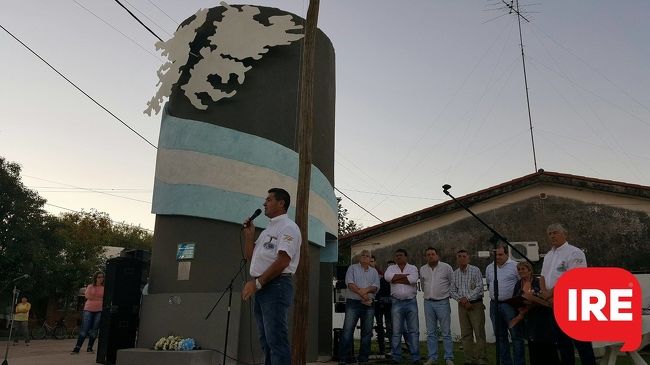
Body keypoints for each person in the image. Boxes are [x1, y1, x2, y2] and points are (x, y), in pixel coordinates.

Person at [242, 188, 301, 365]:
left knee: (276, 341)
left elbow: (283, 261)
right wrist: (250, 236)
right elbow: (250, 257)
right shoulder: (269, 230)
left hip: (276, 287)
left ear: (281, 203)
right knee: (266, 342)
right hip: (263, 289)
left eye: (268, 200)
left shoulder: (288, 227)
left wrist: (257, 283)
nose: (264, 203)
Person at [541, 223, 596, 365]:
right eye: (550, 233)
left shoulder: (575, 252)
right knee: (563, 344)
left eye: (555, 232)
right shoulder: (548, 255)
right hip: (554, 304)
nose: (552, 235)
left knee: (582, 344)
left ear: (565, 234)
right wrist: (545, 293)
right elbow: (542, 276)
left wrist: (550, 294)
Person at [511, 261, 559, 365]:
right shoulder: (518, 284)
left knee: (546, 345)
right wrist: (519, 307)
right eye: (519, 269)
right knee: (533, 345)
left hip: (542, 316)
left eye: (523, 269)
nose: (520, 271)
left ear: (529, 270)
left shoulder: (538, 282)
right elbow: (515, 297)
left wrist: (533, 301)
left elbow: (545, 297)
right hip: (528, 318)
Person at [485, 244, 524, 365]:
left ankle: (519, 363)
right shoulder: (490, 267)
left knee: (516, 336)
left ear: (507, 254)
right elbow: (488, 283)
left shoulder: (515, 266)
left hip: (510, 305)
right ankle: (506, 362)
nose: (498, 257)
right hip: (494, 305)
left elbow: (521, 284)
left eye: (501, 254)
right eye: (496, 255)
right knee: (500, 336)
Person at [338, 250, 380, 364]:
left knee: (367, 333)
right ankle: (343, 359)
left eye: (368, 256)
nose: (365, 257)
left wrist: (365, 292)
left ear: (370, 258)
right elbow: (349, 283)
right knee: (347, 331)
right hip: (353, 303)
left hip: (369, 304)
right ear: (359, 257)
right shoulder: (352, 268)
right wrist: (363, 294)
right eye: (363, 255)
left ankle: (363, 359)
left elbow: (375, 287)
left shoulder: (374, 272)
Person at [450, 249, 487, 365]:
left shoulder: (475, 270)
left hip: (475, 304)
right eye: (459, 256)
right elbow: (452, 290)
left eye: (464, 256)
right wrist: (462, 301)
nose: (461, 258)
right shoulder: (454, 274)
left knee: (479, 332)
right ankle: (469, 359)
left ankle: (481, 359)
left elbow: (479, 287)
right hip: (462, 306)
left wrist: (468, 299)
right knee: (466, 334)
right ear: (457, 259)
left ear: (468, 258)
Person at [384, 248, 421, 364]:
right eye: (396, 255)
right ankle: (396, 357)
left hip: (411, 302)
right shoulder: (390, 268)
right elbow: (388, 278)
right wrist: (405, 278)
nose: (398, 257)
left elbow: (413, 279)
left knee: (414, 331)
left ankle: (415, 358)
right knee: (396, 331)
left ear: (406, 257)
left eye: (400, 255)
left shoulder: (413, 268)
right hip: (396, 302)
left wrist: (396, 278)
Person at [420, 247, 455, 365]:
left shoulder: (446, 267)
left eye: (433, 254)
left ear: (437, 255)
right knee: (431, 332)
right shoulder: (423, 269)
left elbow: (452, 283)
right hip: (428, 303)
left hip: (442, 303)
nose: (430, 256)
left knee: (446, 332)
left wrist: (446, 295)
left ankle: (448, 358)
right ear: (426, 257)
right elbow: (423, 285)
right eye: (428, 254)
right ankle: (432, 358)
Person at [72, 271, 105, 354]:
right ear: (95, 278)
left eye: (102, 277)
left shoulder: (104, 287)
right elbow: (87, 296)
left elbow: (105, 298)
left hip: (100, 310)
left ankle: (90, 348)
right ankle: (77, 348)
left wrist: (95, 298)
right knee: (85, 329)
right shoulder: (90, 286)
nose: (101, 279)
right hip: (88, 309)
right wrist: (100, 299)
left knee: (94, 329)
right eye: (99, 277)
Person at [370, 256, 393, 358]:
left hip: (388, 306)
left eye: (372, 261)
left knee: (390, 327)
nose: (370, 263)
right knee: (379, 327)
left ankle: (393, 349)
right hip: (376, 305)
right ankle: (382, 349)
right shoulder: (379, 277)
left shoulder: (382, 276)